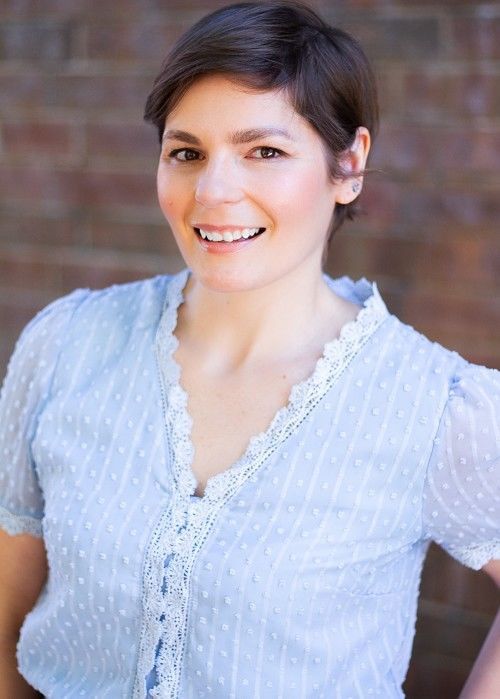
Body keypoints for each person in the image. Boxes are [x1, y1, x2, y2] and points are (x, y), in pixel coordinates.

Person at [0, 2, 498, 697]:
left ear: (349, 164)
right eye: (186, 152)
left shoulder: (433, 405)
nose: (213, 191)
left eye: (264, 151)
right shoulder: (65, 347)